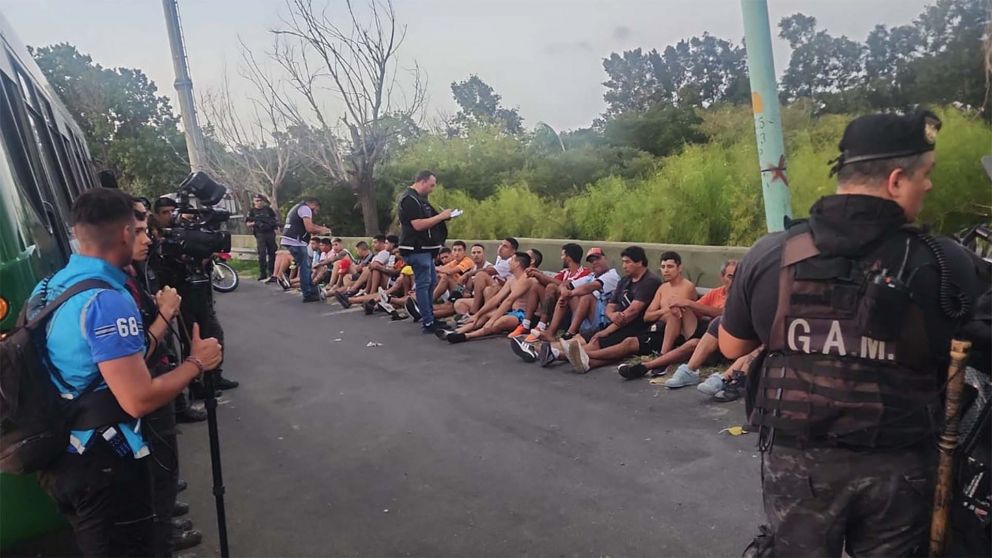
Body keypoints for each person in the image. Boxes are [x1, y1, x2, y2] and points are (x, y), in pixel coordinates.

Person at [719, 110, 983, 557]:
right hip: (900, 466)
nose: (930, 186)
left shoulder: (770, 253)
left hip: (798, 465)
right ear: (897, 180)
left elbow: (731, 346)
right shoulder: (946, 262)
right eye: (927, 175)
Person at [30, 188, 222, 557]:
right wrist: (196, 362)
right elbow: (137, 398)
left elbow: (110, 364)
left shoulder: (51, 286)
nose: (145, 238)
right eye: (139, 231)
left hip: (62, 453)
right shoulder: (106, 300)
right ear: (123, 234)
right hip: (103, 463)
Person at [125, 199, 202, 554]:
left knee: (163, 460)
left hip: (154, 384)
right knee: (156, 461)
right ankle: (163, 533)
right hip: (144, 396)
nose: (148, 239)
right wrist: (167, 314)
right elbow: (140, 353)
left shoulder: (126, 276)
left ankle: (164, 516)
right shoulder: (106, 292)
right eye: (139, 231)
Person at [397, 170, 453, 333]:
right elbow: (418, 225)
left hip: (426, 248)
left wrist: (443, 217)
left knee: (430, 283)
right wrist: (441, 216)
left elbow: (428, 218)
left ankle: (430, 316)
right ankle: (428, 321)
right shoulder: (409, 199)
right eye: (431, 185)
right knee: (423, 283)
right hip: (416, 248)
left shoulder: (420, 199)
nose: (432, 189)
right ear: (422, 181)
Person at [436, 252, 535, 343]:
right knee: (484, 315)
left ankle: (468, 335)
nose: (508, 263)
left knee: (498, 322)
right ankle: (456, 332)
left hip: (523, 316)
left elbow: (509, 300)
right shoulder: (511, 279)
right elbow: (496, 299)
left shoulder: (526, 278)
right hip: (511, 312)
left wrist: (491, 320)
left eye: (511, 261)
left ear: (517, 264)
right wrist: (477, 315)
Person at [280, 196, 332, 302]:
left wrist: (320, 228)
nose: (315, 213)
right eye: (316, 210)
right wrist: (322, 231)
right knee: (305, 267)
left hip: (289, 239)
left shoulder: (297, 207)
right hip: (296, 241)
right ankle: (308, 293)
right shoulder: (305, 209)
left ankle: (309, 289)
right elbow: (309, 228)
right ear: (314, 204)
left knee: (304, 266)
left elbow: (310, 226)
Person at [246, 194, 279, 281]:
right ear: (254, 202)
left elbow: (274, 219)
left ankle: (272, 272)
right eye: (257, 201)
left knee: (272, 252)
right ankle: (263, 273)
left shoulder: (268, 209)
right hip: (260, 234)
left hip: (270, 233)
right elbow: (248, 223)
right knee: (262, 254)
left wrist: (272, 225)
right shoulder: (252, 211)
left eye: (260, 200)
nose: (259, 202)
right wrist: (256, 223)